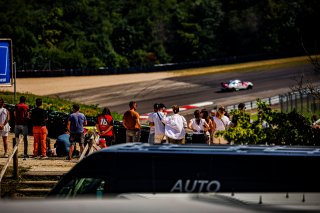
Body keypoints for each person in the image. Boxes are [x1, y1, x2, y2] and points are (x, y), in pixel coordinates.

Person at [14, 96, 30, 160]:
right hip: (24, 125)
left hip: (17, 124)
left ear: (20, 100)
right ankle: (25, 154)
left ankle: (15, 153)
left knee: (16, 139)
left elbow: (14, 114)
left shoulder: (16, 106)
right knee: (25, 140)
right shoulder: (26, 106)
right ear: (25, 100)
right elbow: (27, 115)